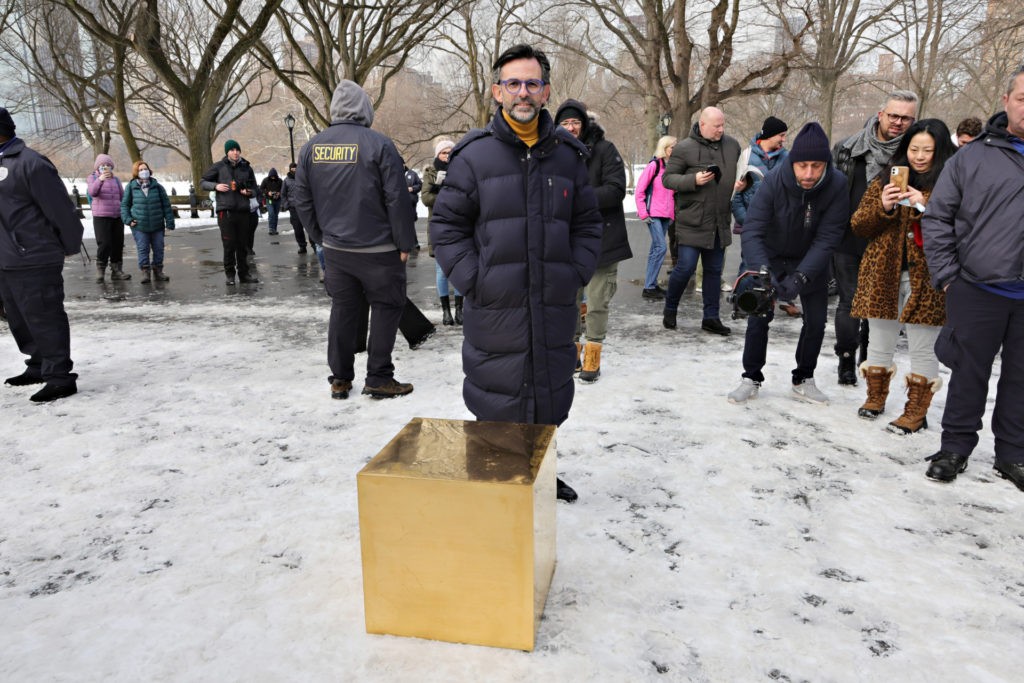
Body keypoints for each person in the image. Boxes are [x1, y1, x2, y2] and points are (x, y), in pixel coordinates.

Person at [429, 44, 602, 503]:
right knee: (497, 393)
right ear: (496, 91)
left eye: (531, 83)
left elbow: (588, 223)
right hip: (496, 305)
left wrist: (575, 271)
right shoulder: (472, 156)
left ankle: (543, 471)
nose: (522, 92)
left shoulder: (569, 156)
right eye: (513, 83)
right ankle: (499, 481)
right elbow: (446, 227)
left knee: (549, 392)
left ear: (545, 92)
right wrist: (475, 278)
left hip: (553, 304)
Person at [920, 67, 1024, 491]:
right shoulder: (972, 156)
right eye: (1023, 97)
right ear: (1006, 100)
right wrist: (948, 277)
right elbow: (938, 217)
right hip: (978, 286)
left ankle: (1013, 454)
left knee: (1022, 377)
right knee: (968, 371)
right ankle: (955, 448)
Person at [291, 79, 417, 400]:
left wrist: (321, 237)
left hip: (336, 250)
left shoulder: (311, 148)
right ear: (365, 109)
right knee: (387, 307)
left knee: (343, 309)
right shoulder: (379, 144)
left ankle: (340, 378)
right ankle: (378, 376)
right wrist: (405, 243)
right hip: (379, 250)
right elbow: (397, 199)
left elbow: (301, 200)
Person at [726, 122, 849, 405]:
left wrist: (801, 278)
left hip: (811, 259)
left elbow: (829, 237)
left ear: (825, 165)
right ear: (793, 163)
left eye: (816, 166)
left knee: (816, 321)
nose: (808, 173)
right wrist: (762, 272)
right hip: (771, 254)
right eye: (802, 165)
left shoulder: (837, 185)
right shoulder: (775, 180)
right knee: (759, 317)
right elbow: (753, 228)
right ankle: (751, 376)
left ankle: (804, 378)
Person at [849, 119, 956, 433]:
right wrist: (883, 206)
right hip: (883, 276)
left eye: (928, 150)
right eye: (914, 149)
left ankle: (916, 411)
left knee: (923, 347)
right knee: (880, 342)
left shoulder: (950, 185)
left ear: (940, 152)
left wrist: (925, 204)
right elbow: (859, 225)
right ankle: (875, 397)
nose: (920, 156)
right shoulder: (885, 180)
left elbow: (961, 225)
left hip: (927, 279)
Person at [832, 90, 919, 385]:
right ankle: (846, 360)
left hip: (886, 241)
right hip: (846, 237)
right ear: (881, 114)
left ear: (913, 120)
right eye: (893, 115)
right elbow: (830, 191)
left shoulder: (915, 155)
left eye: (905, 118)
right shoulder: (847, 148)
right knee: (850, 302)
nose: (898, 122)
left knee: (880, 305)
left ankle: (870, 362)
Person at [0, 107, 83, 402]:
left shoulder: (31, 163)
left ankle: (60, 377)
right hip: (6, 259)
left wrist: (70, 246)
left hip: (34, 256)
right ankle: (37, 365)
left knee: (44, 316)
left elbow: (61, 209)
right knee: (20, 318)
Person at [555, 99, 631, 383]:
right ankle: (573, 353)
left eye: (575, 122)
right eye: (564, 123)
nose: (571, 128)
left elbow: (615, 190)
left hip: (602, 239)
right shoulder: (553, 152)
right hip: (566, 242)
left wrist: (577, 198)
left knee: (598, 301)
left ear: (585, 124)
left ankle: (593, 355)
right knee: (569, 302)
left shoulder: (604, 149)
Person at [660, 106, 740, 335]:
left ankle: (711, 317)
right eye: (716, 126)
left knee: (714, 271)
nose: (721, 130)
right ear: (702, 124)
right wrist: (693, 179)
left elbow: (735, 173)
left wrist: (742, 185)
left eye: (723, 125)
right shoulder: (684, 148)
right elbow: (668, 179)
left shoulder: (732, 145)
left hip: (719, 220)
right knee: (685, 268)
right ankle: (670, 308)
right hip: (692, 220)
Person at [201, 139, 259, 284]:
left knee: (243, 244)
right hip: (225, 211)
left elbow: (255, 188)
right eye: (232, 150)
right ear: (227, 152)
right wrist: (215, 186)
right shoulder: (219, 167)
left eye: (237, 150)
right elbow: (202, 182)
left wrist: (249, 192)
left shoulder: (246, 167)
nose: (235, 152)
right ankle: (230, 274)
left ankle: (244, 274)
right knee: (229, 244)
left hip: (243, 211)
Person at [421, 139, 462, 326]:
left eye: (449, 152)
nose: (447, 155)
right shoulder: (430, 173)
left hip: (460, 225)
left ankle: (460, 310)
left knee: (461, 268)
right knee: (442, 271)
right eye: (443, 152)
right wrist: (445, 194)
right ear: (437, 155)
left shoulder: (462, 169)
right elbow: (426, 198)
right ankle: (446, 312)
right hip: (438, 225)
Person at [635, 135, 676, 300]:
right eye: (672, 146)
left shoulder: (673, 168)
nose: (675, 149)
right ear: (664, 148)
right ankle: (649, 287)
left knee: (655, 250)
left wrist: (673, 214)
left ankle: (650, 286)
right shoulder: (654, 165)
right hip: (653, 214)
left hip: (667, 215)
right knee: (660, 248)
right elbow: (640, 190)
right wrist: (643, 212)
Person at [121, 160, 175, 283]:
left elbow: (166, 205)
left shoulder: (157, 187)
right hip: (140, 226)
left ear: (149, 171)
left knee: (159, 248)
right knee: (143, 248)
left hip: (157, 225)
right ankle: (145, 272)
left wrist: (170, 222)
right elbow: (124, 206)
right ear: (136, 172)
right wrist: (128, 220)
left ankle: (158, 270)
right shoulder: (131, 187)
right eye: (140, 170)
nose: (143, 171)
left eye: (145, 169)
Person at [86, 153, 130, 282]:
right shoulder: (92, 178)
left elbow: (122, 197)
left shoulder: (116, 180)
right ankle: (101, 270)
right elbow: (92, 192)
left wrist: (124, 209)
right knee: (104, 243)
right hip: (101, 216)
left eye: (108, 165)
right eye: (102, 165)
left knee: (118, 243)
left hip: (116, 216)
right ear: (97, 167)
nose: (105, 167)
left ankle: (117, 270)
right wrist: (100, 180)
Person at [281, 161, 311, 255]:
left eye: (295, 168)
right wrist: (287, 205)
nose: (294, 170)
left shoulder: (303, 178)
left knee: (310, 226)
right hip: (293, 208)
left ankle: (314, 244)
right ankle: (302, 246)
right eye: (292, 168)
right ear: (290, 169)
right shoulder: (286, 181)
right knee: (298, 228)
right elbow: (283, 194)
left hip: (304, 207)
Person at [260, 168, 283, 235]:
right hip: (269, 200)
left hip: (277, 200)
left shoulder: (280, 181)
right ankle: (271, 228)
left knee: (275, 215)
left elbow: (284, 189)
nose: (273, 177)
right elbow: (261, 189)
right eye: (271, 176)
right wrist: (267, 193)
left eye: (274, 176)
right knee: (271, 213)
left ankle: (274, 229)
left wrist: (279, 193)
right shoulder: (265, 180)